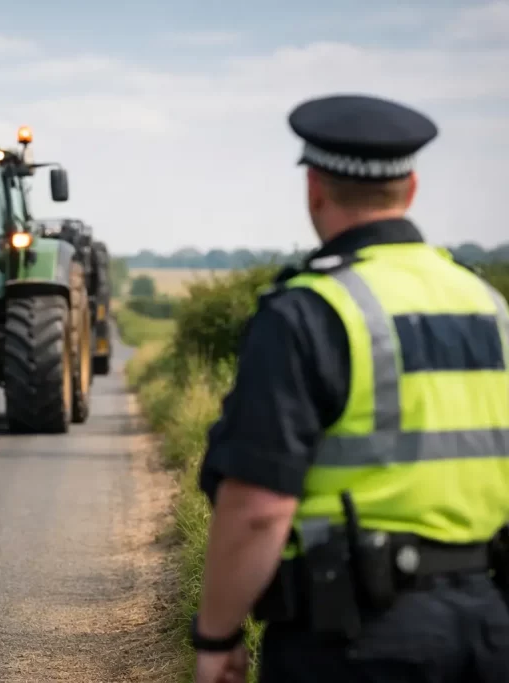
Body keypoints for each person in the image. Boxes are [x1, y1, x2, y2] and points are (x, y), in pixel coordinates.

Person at [189, 94, 509, 683]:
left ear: (314, 189)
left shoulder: (310, 311)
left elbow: (260, 509)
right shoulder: (489, 306)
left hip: (357, 643)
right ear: (411, 188)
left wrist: (217, 634)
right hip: (489, 630)